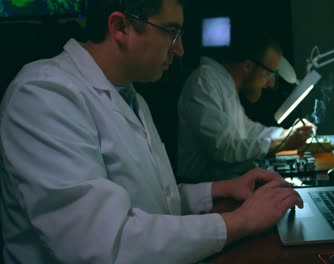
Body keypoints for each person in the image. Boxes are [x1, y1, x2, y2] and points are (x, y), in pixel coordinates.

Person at [0, 0, 304, 263]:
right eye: (171, 32)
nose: (181, 49)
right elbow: (104, 246)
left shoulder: (133, 98)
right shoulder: (44, 94)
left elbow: (153, 202)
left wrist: (222, 189)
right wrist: (240, 221)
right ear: (120, 27)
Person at [177, 30, 315, 183]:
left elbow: (247, 130)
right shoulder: (204, 81)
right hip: (203, 192)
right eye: (270, 74)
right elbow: (224, 149)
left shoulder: (226, 84)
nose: (271, 83)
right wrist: (280, 143)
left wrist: (286, 133)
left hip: (222, 186)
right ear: (248, 66)